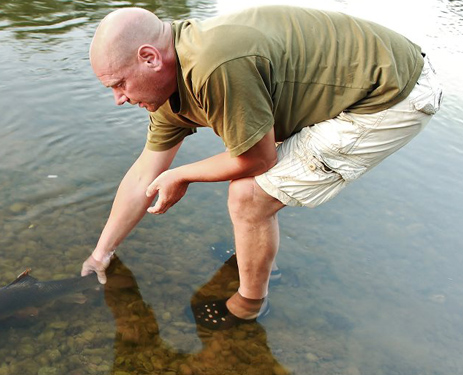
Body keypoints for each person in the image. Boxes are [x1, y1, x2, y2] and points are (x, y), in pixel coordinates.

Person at [82, 5, 443, 329]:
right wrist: (101, 254)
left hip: (392, 95)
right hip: (365, 74)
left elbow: (258, 159)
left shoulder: (214, 66)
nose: (119, 99)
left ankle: (249, 304)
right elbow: (144, 175)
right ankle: (254, 255)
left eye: (119, 84)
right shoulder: (164, 89)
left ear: (149, 57)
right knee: (253, 185)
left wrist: (182, 174)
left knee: (249, 196)